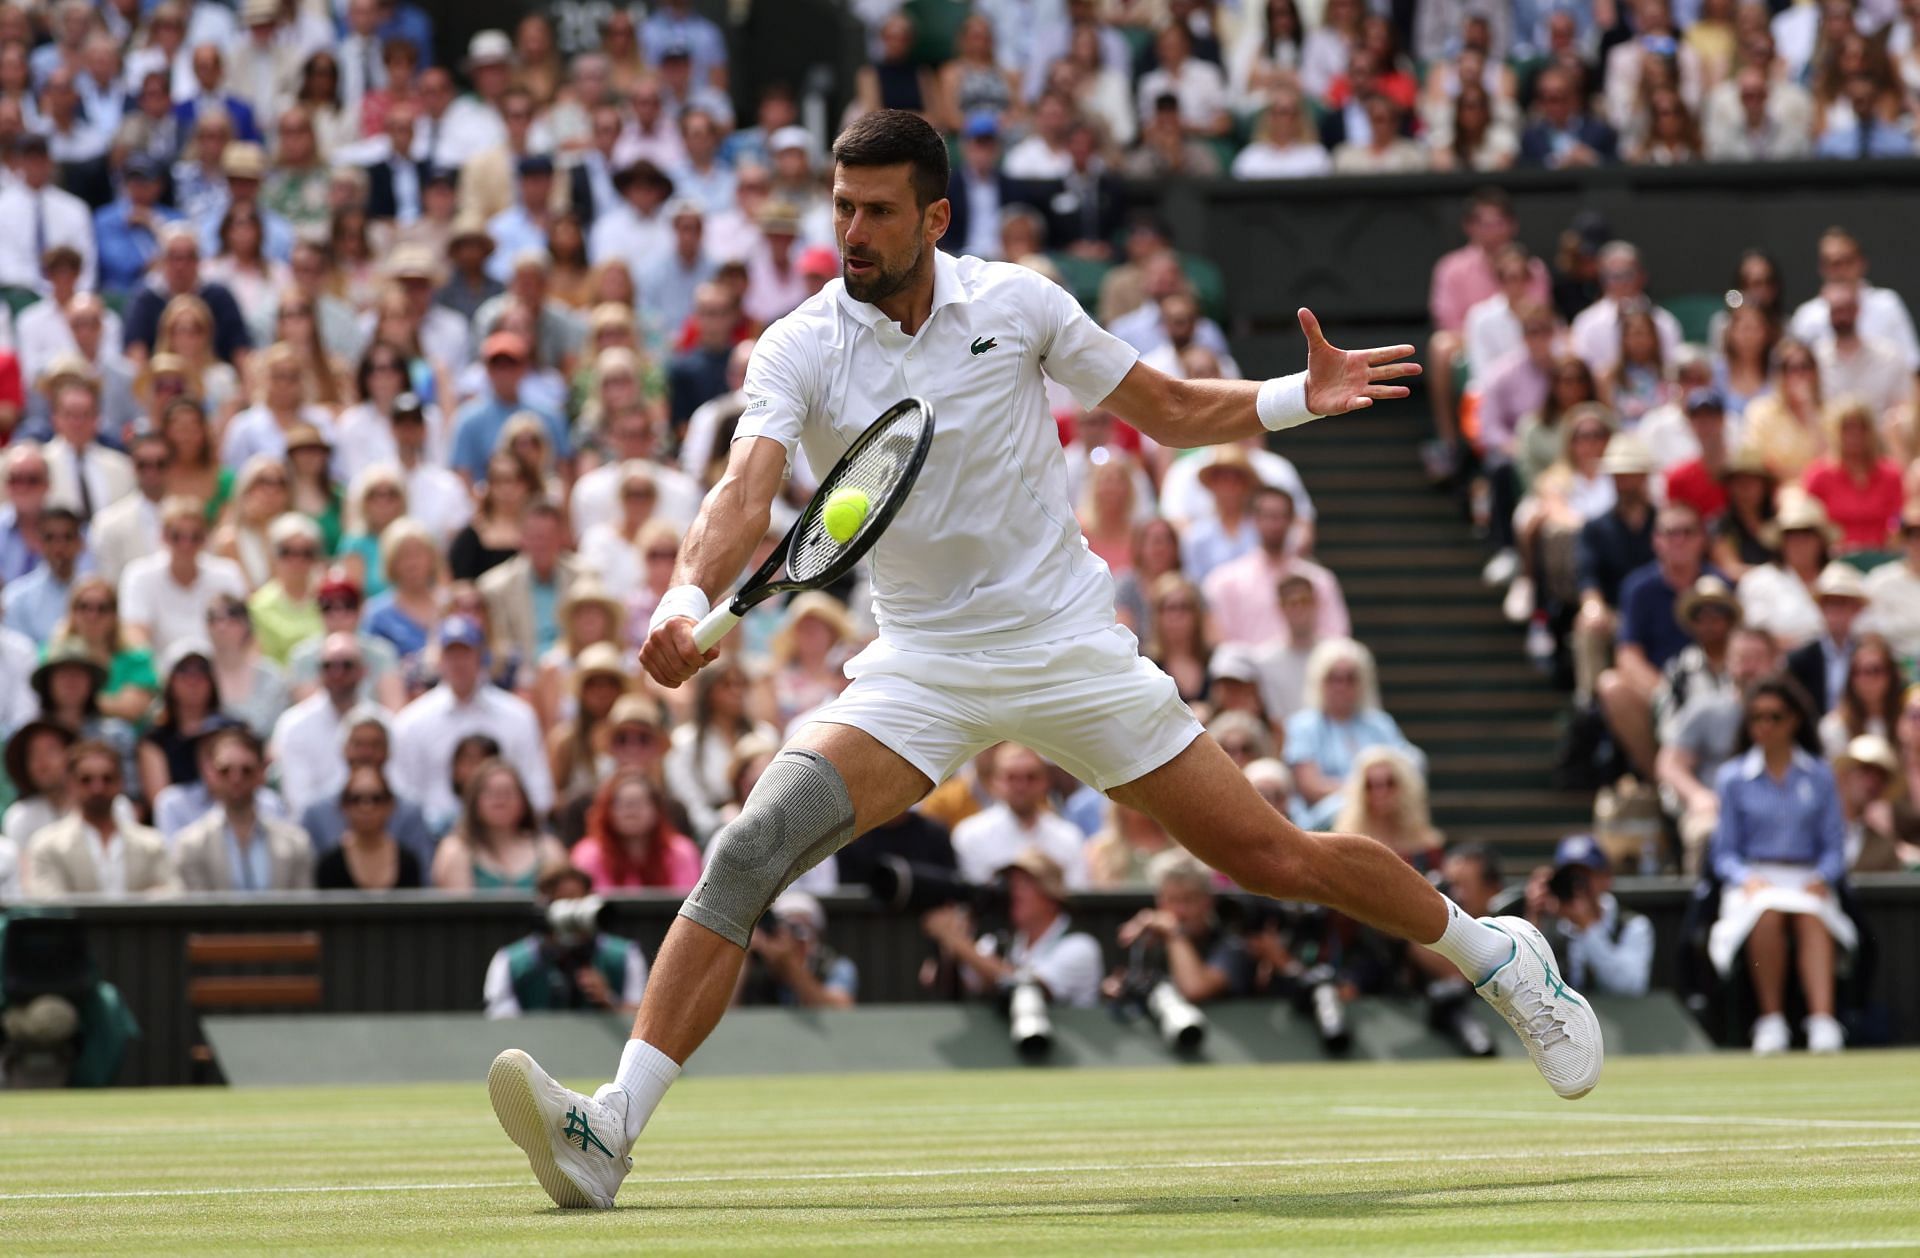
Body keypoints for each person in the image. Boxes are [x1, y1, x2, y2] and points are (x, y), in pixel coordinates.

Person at [487, 111, 1597, 1212]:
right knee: (751, 846)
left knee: (1272, 856)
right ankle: (611, 1129)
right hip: (920, 664)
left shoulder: (1019, 303)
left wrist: (1299, 396)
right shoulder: (797, 344)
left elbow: (1161, 408)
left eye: (876, 211)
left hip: (1066, 644)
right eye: (841, 210)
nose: (852, 233)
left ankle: (1493, 953)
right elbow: (744, 493)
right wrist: (686, 596)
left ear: (935, 216)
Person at [1707, 675, 1854, 1055]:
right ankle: (1771, 1021)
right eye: (1757, 718)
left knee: (1811, 918)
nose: (1765, 726)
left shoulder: (1820, 775)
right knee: (1767, 915)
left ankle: (1823, 1021)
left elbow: (1835, 847)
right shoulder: (1732, 778)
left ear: (1794, 721)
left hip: (1807, 877)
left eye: (1774, 717)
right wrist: (1747, 879)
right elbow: (1724, 854)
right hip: (1755, 879)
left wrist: (1823, 877)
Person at [391, 617, 556, 824]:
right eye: (451, 654)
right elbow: (404, 792)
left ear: (481, 656)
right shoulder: (411, 722)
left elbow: (539, 790)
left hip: (507, 832)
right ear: (439, 659)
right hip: (433, 836)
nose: (458, 662)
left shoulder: (519, 716)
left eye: (465, 653)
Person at [921, 846, 1102, 1008]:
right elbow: (951, 983)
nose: (1014, 892)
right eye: (1011, 883)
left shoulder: (1080, 947)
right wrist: (949, 946)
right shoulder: (999, 943)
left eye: (1024, 882)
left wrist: (957, 941)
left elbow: (1027, 989)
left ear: (1051, 895)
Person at [1285, 639, 1425, 830]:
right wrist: (1364, 793)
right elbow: (1311, 786)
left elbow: (1404, 771)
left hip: (1382, 817)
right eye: (1334, 678)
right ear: (1319, 682)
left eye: (1350, 678)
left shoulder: (1380, 724)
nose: (1342, 686)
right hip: (1327, 822)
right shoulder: (1304, 725)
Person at [484, 862, 649, 1018]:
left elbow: (642, 1027)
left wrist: (608, 999)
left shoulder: (626, 956)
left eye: (579, 901)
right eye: (563, 902)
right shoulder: (510, 962)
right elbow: (502, 1028)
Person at [22, 741, 177, 897]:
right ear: (70, 784)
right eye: (86, 780)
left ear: (121, 783)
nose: (97, 788)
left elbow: (169, 898)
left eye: (107, 779)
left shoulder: (153, 845)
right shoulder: (47, 847)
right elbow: (49, 907)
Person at [174, 726, 313, 892]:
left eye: (246, 770)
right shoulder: (191, 845)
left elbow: (302, 907)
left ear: (261, 773)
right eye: (225, 771)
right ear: (211, 774)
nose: (236, 779)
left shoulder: (296, 843)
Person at [1109, 850, 1252, 1008]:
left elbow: (1195, 989)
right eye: (1172, 899)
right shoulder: (1149, 942)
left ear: (1208, 902)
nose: (1180, 911)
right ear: (1160, 901)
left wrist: (1174, 933)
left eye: (1188, 900)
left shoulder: (1232, 947)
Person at [1524, 834, 1653, 997]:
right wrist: (1533, 922)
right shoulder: (1550, 923)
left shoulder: (1633, 925)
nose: (1577, 886)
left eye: (1584, 876)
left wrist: (1588, 927)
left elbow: (1629, 987)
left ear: (1606, 878)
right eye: (1570, 877)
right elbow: (1525, 984)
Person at [951, 744, 1091, 889]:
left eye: (1031, 777)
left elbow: (1077, 893)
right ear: (994, 781)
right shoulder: (970, 835)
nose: (1021, 786)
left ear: (1046, 782)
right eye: (1011, 777)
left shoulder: (1068, 836)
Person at [431, 759, 568, 892]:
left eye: (508, 792)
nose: (500, 799)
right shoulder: (455, 850)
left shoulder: (548, 849)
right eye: (490, 793)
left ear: (523, 801)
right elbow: (458, 911)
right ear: (474, 801)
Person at [571, 771, 701, 893]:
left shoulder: (682, 853)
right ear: (606, 811)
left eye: (639, 803)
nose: (631, 811)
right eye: (620, 804)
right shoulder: (588, 855)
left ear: (657, 810)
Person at [737, 890, 858, 1009]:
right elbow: (725, 1014)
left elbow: (841, 1011)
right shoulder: (756, 966)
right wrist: (743, 956)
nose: (796, 936)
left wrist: (790, 966)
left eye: (802, 927)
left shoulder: (835, 966)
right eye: (787, 926)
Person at [316, 765, 424, 891]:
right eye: (356, 799)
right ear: (343, 806)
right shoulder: (329, 865)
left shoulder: (409, 863)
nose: (366, 807)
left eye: (376, 799)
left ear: (390, 805)